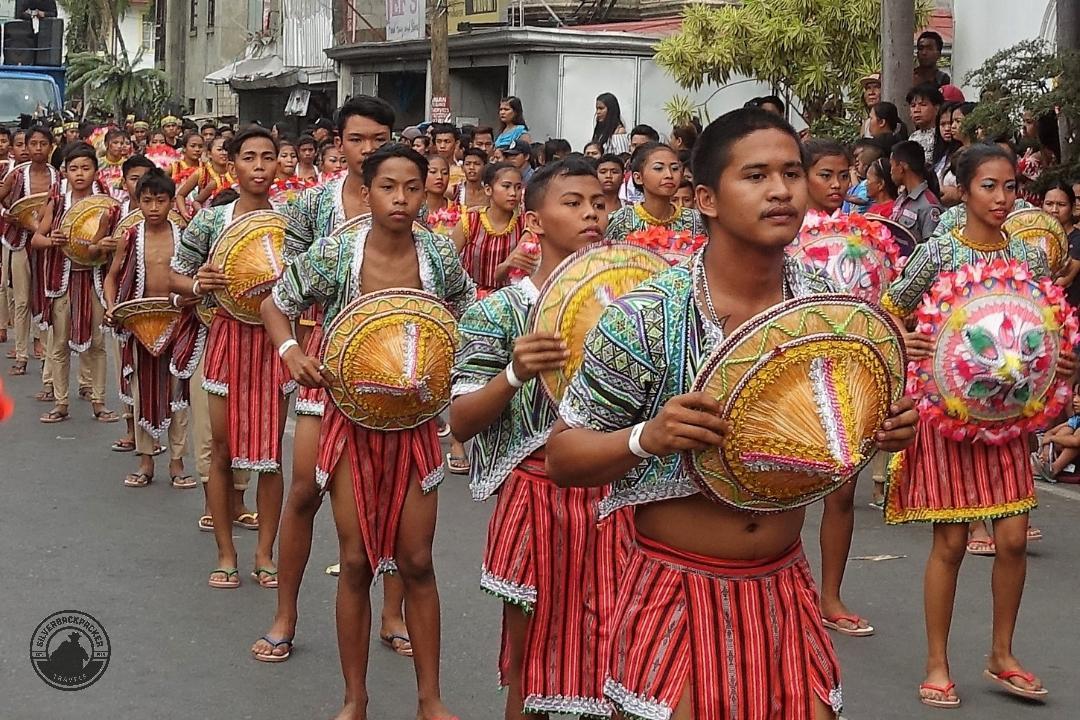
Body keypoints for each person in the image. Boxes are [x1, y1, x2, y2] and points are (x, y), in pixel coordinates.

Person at [545, 107, 920, 719]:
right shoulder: (645, 317)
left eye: (792, 174)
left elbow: (830, 437)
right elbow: (564, 455)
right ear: (707, 199)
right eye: (755, 176)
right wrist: (647, 436)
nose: (780, 190)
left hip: (783, 589)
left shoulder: (830, 311)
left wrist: (879, 428)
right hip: (672, 590)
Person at [264, 143, 473, 720]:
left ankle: (430, 699)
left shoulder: (437, 254)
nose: (401, 199)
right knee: (355, 559)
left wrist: (447, 363)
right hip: (347, 422)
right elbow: (275, 304)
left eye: (413, 188)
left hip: (415, 425)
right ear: (367, 189)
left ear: (428, 192)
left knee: (418, 560)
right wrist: (290, 351)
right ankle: (355, 698)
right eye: (389, 187)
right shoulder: (335, 252)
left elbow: (468, 310)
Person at [882, 143, 1068, 708]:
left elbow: (1049, 321)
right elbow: (894, 305)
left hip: (1008, 417)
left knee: (1011, 539)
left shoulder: (1030, 258)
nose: (1002, 198)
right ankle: (937, 662)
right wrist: (905, 340)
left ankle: (1001, 654)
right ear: (961, 190)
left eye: (1011, 186)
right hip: (948, 415)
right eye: (989, 186)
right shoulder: (938, 253)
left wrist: (1061, 359)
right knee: (953, 541)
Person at [450, 157, 623, 718]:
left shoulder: (636, 308)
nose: (591, 213)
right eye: (572, 203)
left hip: (617, 493)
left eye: (597, 202)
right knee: (528, 665)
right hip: (535, 494)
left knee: (626, 660)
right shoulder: (500, 311)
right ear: (535, 220)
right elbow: (459, 421)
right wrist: (514, 374)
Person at [251, 95, 414, 664]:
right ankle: (285, 612)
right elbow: (285, 287)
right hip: (327, 365)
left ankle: (392, 612)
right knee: (305, 491)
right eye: (358, 140)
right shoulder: (313, 206)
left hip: (402, 372)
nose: (368, 150)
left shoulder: (420, 214)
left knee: (399, 492)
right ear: (337, 144)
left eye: (379, 138)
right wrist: (292, 347)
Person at [170, 126, 291, 591]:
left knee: (271, 456)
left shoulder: (291, 222)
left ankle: (265, 552)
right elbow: (176, 277)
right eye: (249, 158)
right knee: (221, 449)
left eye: (268, 157)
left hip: (274, 344)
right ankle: (226, 552)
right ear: (232, 164)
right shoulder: (210, 220)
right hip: (225, 339)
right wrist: (200, 284)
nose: (259, 167)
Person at [101, 169, 193, 488]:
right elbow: (112, 276)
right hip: (139, 323)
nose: (154, 207)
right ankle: (145, 461)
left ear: (171, 201)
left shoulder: (184, 234)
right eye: (147, 200)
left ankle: (178, 463)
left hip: (178, 320)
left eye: (161, 200)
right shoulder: (129, 236)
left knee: (177, 392)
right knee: (143, 391)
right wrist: (112, 307)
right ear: (138, 202)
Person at [31, 141, 119, 424]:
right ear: (65, 172)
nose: (80, 173)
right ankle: (61, 401)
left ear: (95, 170)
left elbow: (120, 240)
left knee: (97, 342)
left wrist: (108, 244)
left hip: (94, 279)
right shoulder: (57, 201)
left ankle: (99, 401)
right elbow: (37, 239)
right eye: (74, 168)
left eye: (86, 168)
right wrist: (51, 240)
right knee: (59, 343)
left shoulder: (106, 202)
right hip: (64, 279)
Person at [1, 126, 59, 377]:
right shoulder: (16, 175)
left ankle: (46, 352)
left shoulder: (58, 177)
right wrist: (9, 215)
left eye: (42, 144)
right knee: (22, 299)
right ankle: (22, 353)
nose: (36, 149)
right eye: (32, 144)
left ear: (50, 147)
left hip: (47, 245)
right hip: (19, 241)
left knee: (46, 298)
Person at [451, 161, 527, 297]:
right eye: (506, 186)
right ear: (488, 190)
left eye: (518, 187)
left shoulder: (525, 224)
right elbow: (449, 263)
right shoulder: (470, 221)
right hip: (472, 298)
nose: (513, 193)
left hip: (511, 299)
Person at [606, 142, 703, 243]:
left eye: (674, 168)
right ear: (638, 178)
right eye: (658, 168)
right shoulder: (622, 220)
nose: (669, 175)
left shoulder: (695, 220)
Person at [889, 140, 942, 243]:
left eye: (892, 166)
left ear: (901, 167)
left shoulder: (929, 206)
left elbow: (931, 249)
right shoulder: (901, 198)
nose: (890, 171)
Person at [1033, 384, 1080, 481]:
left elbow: (1076, 441)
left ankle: (1053, 469)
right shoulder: (1076, 419)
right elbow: (1050, 432)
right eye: (1074, 395)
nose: (1075, 400)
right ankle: (1046, 461)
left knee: (1074, 438)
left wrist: (1051, 439)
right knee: (1067, 429)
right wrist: (1047, 448)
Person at [803, 139, 851, 220]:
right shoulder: (788, 229)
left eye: (844, 176)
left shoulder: (857, 229)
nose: (837, 184)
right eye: (826, 176)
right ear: (804, 177)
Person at [907, 83, 943, 165]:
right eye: (913, 106)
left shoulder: (943, 135)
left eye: (923, 105)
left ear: (937, 108)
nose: (916, 110)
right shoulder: (913, 137)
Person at [931, 102, 960, 184]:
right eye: (942, 124)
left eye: (950, 123)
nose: (947, 128)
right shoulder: (941, 153)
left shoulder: (963, 153)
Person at [97, 128, 128, 201]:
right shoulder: (98, 163)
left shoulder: (128, 164)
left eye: (121, 143)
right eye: (115, 143)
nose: (119, 146)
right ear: (106, 144)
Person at [859, 73, 882, 137]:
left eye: (876, 87)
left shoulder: (891, 122)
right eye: (868, 88)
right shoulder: (866, 124)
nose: (871, 92)